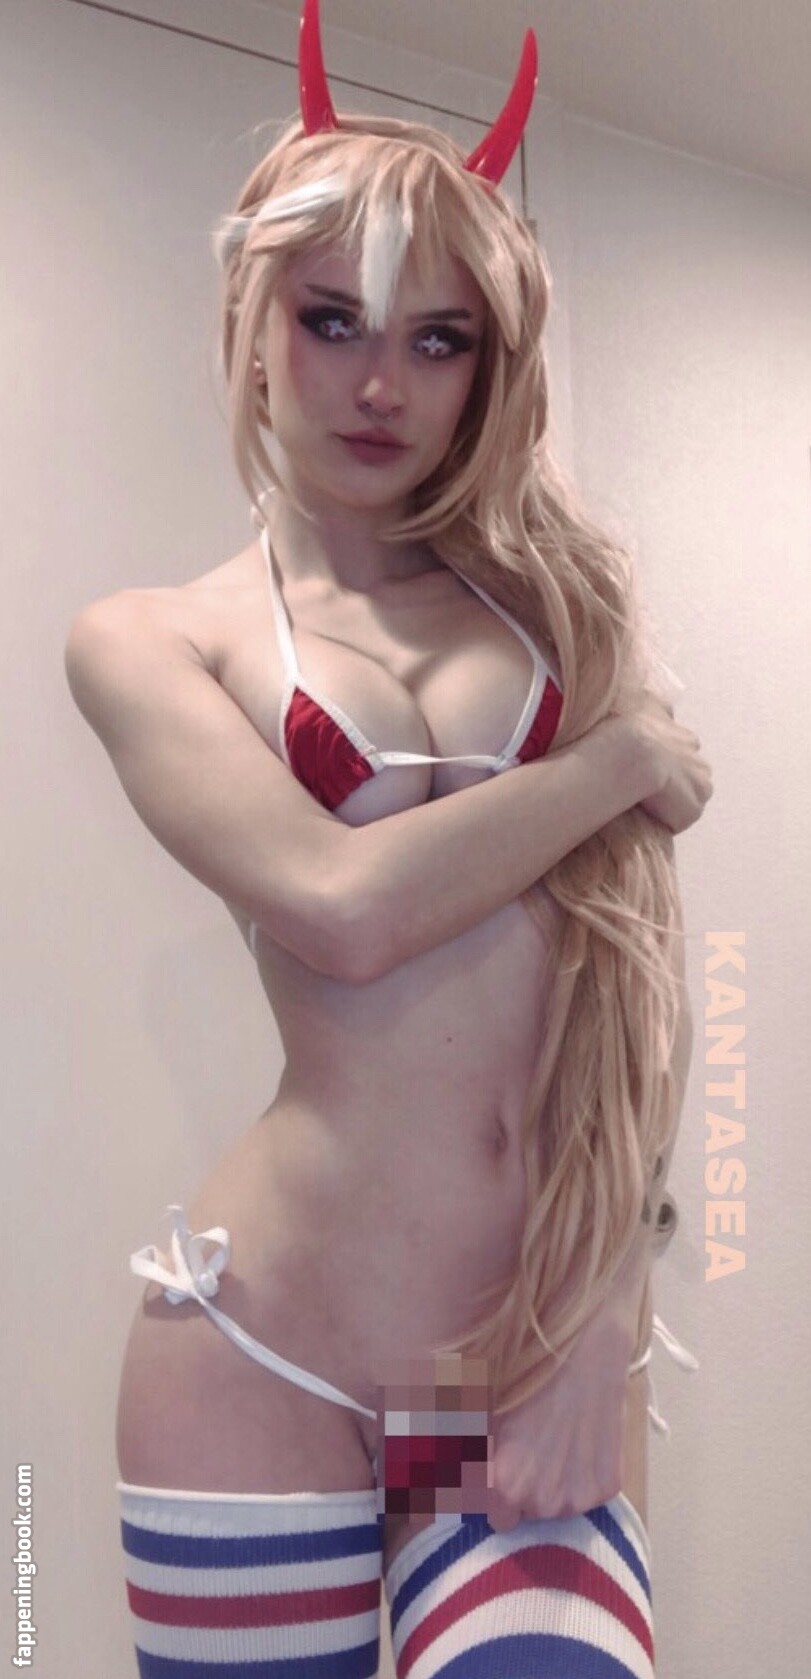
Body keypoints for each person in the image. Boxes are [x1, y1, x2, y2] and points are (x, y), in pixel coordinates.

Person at [65, 3, 712, 1673]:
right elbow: (340, 907)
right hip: (252, 1349)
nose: (378, 383)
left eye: (440, 340)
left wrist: (611, 1302)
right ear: (251, 319)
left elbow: (639, 1001)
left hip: (519, 1348)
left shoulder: (558, 612)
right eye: (332, 316)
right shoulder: (151, 639)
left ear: (492, 367)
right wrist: (617, 760)